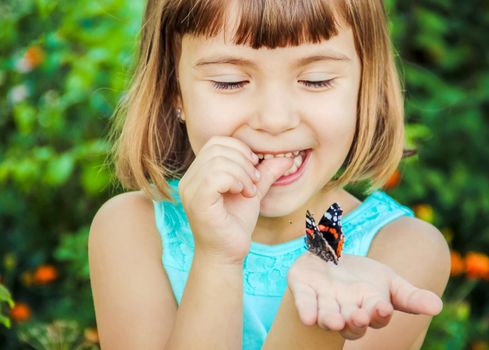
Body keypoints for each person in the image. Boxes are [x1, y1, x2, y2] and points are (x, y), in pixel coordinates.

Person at [88, 0, 451, 349]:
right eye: (229, 81)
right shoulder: (132, 230)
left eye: (317, 80)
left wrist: (317, 319)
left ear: (364, 88)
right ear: (174, 92)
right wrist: (217, 259)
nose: (275, 120)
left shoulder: (401, 251)